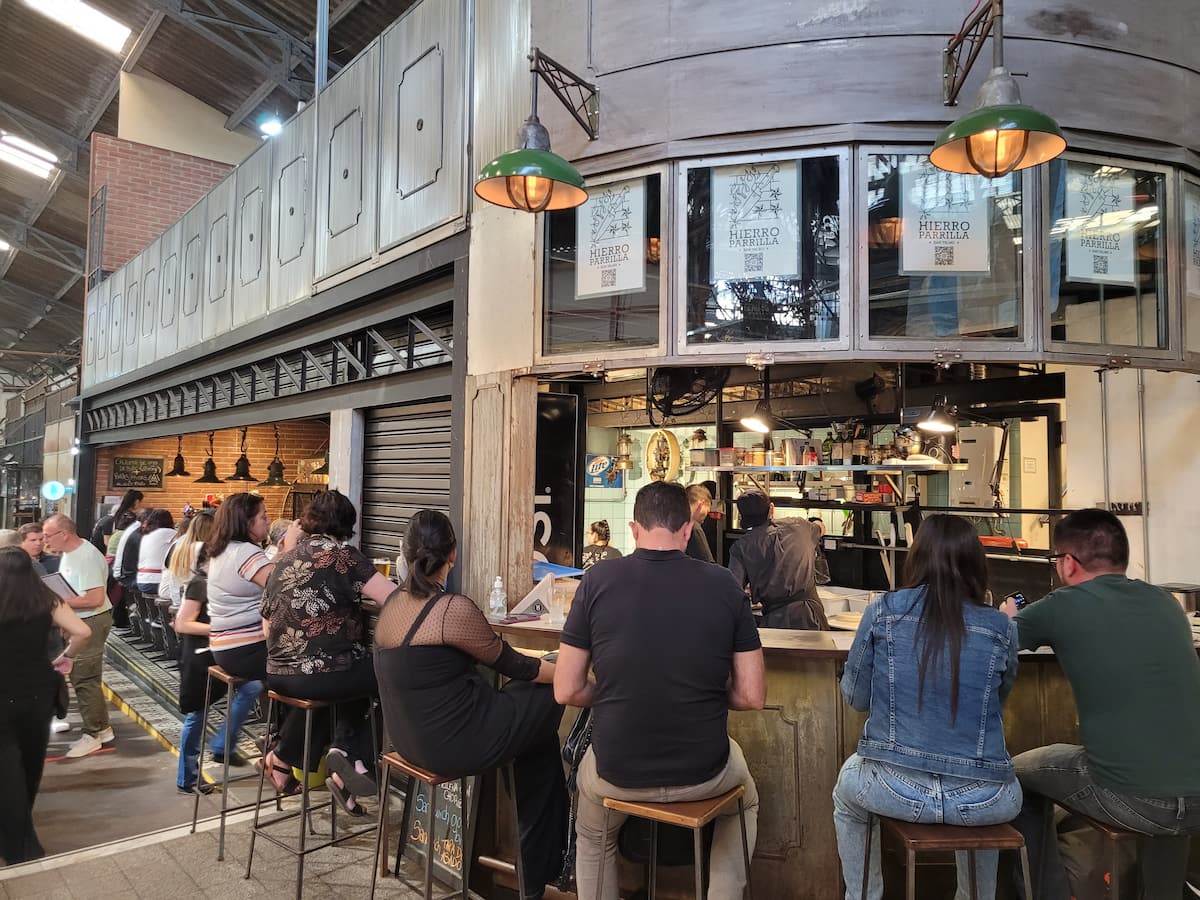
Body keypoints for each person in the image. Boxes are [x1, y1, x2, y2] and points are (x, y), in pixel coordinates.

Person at [556, 481, 765, 900]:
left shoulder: (596, 580)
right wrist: (702, 691)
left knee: (594, 834)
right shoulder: (724, 584)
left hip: (617, 770)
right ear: (687, 530)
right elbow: (751, 696)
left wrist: (613, 691)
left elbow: (566, 688)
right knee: (745, 801)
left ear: (634, 530)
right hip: (704, 772)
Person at [1005, 508, 1200, 899]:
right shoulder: (1166, 603)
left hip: (1132, 797)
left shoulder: (1061, 605)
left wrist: (1007, 616)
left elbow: (992, 642)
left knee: (1013, 778)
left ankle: (1048, 894)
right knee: (1167, 783)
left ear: (1068, 563)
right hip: (1196, 798)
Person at [374, 509, 568, 897]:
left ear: (405, 553)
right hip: (456, 745)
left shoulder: (392, 605)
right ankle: (541, 869)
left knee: (535, 741)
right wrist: (571, 675)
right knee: (547, 695)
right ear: (453, 554)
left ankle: (538, 869)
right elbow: (517, 665)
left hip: (408, 744)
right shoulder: (450, 609)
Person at [833, 514, 1022, 900]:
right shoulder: (1002, 627)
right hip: (984, 800)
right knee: (989, 794)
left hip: (893, 787)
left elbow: (855, 698)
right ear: (976, 564)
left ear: (916, 557)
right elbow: (996, 703)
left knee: (847, 792)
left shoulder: (883, 612)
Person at [259, 491, 394, 812]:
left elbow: (266, 626)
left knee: (347, 674)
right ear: (347, 524)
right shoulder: (344, 556)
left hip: (277, 674)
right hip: (323, 674)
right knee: (392, 675)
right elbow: (395, 598)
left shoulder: (283, 560)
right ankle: (352, 755)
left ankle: (289, 758)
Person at [0, 547, 91, 865]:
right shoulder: (46, 599)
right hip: (37, 692)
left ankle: (17, 844)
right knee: (30, 764)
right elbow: (83, 631)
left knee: (5, 769)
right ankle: (22, 836)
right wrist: (67, 656)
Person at [206, 493, 282, 768]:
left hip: (225, 647)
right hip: (245, 647)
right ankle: (282, 749)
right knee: (301, 675)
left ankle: (223, 744)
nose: (268, 521)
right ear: (246, 522)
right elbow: (287, 585)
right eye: (263, 516)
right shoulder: (246, 552)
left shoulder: (223, 550)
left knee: (253, 685)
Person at [174, 548, 258, 791]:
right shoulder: (200, 584)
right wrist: (221, 627)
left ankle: (222, 745)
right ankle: (187, 777)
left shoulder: (221, 586)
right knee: (197, 714)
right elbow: (182, 624)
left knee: (252, 687)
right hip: (201, 658)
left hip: (223, 652)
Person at [41, 514, 115, 759]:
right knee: (85, 677)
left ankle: (92, 735)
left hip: (91, 621)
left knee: (84, 678)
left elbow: (94, 599)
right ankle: (102, 728)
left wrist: (58, 604)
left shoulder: (86, 557)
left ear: (64, 534)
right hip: (81, 621)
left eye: (48, 536)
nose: (45, 541)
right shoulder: (70, 554)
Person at [728, 489, 828, 629]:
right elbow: (820, 527)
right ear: (771, 508)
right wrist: (817, 522)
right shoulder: (800, 526)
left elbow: (733, 591)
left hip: (776, 621)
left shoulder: (741, 547)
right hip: (812, 616)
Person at [685, 483, 715, 562]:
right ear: (701, 504)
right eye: (707, 511)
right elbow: (706, 563)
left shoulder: (669, 522)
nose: (705, 517)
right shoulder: (694, 528)